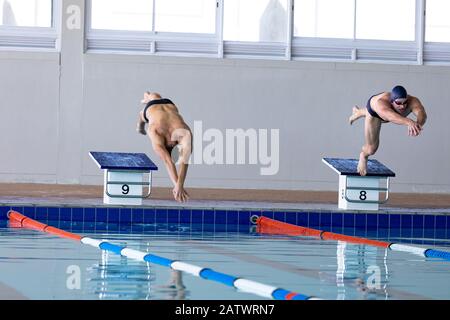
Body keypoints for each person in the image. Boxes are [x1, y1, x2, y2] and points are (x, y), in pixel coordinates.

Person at [349, 85, 427, 176]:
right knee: (371, 149)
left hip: (386, 113)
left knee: (393, 115)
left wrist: (418, 124)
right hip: (375, 114)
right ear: (391, 101)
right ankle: (363, 155)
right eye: (398, 103)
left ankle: (358, 112)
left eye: (405, 102)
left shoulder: (413, 101)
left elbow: (422, 113)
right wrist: (409, 122)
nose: (402, 106)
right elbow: (390, 117)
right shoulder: (381, 103)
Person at [136, 92, 192, 202]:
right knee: (142, 116)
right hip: (151, 109)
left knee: (153, 97)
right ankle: (140, 125)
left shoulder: (184, 134)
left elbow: (183, 162)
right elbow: (168, 161)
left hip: (166, 104)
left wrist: (178, 185)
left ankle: (147, 97)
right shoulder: (156, 133)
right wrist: (178, 186)